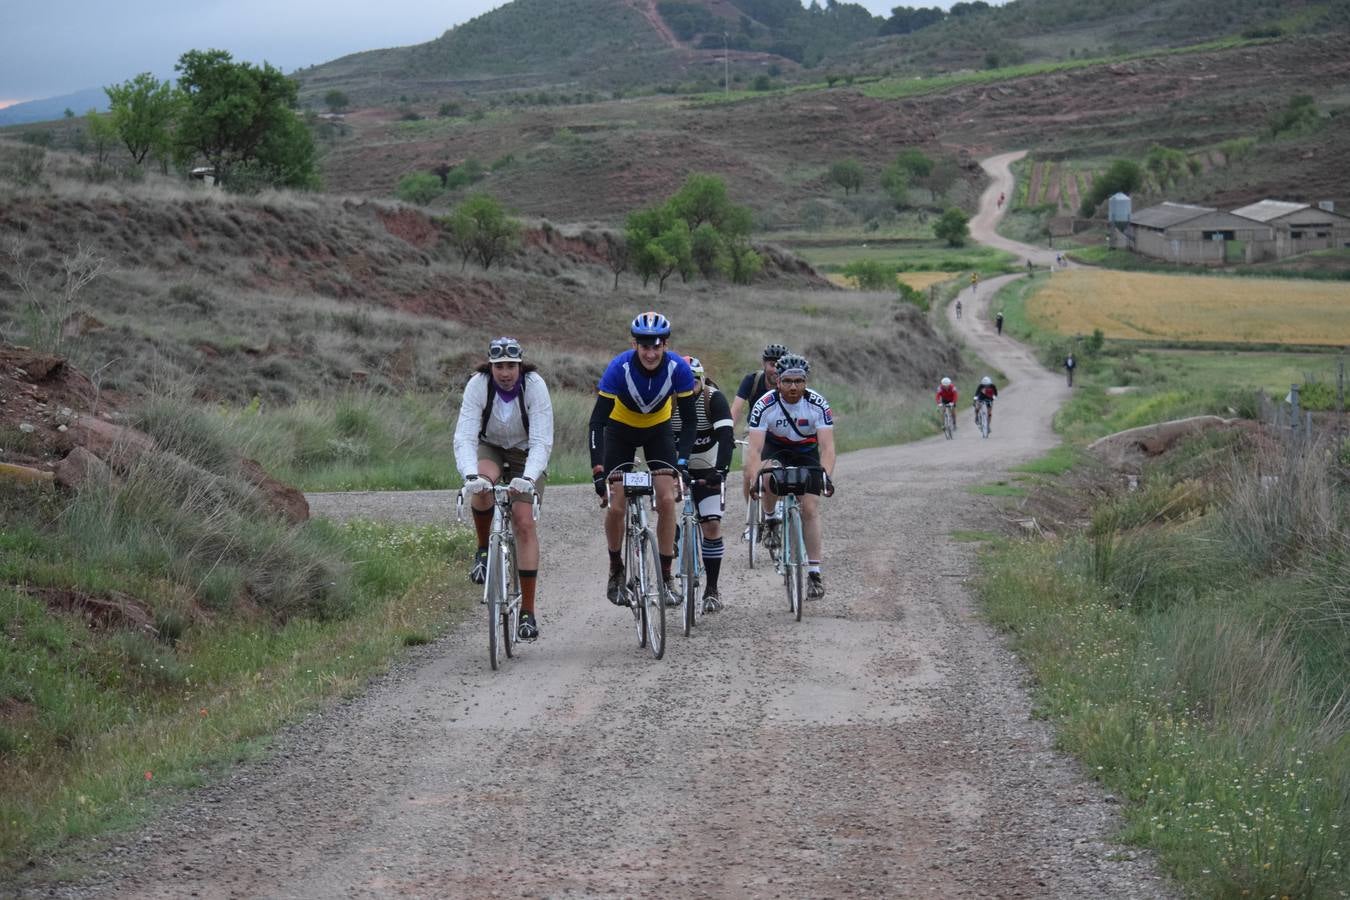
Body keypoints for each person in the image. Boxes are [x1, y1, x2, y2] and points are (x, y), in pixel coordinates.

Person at [590, 312, 700, 608]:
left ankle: (666, 577)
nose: (651, 353)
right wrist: (598, 470)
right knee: (617, 502)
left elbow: (689, 422)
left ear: (665, 344)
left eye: (657, 346)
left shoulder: (678, 369)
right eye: (644, 347)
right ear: (634, 344)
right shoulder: (619, 367)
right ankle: (616, 567)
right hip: (620, 430)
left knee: (666, 499)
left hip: (658, 430)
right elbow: (597, 422)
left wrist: (684, 463)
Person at [454, 336, 555, 641]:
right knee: (482, 485)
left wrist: (530, 477)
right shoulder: (478, 385)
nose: (506, 372)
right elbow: (465, 436)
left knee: (524, 521)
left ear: (520, 365)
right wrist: (470, 475)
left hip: (527, 454)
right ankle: (484, 551)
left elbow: (542, 440)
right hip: (491, 448)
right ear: (491, 366)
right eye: (499, 366)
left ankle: (527, 611)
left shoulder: (534, 386)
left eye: (511, 365)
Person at [743, 353, 836, 601]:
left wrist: (825, 475)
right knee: (768, 475)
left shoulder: (817, 404)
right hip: (777, 449)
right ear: (778, 382)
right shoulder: (764, 404)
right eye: (787, 381)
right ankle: (771, 519)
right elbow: (754, 449)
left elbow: (827, 447)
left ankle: (814, 573)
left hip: (806, 452)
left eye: (799, 381)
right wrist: (755, 478)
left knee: (810, 508)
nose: (793, 387)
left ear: (805, 382)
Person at [670, 356, 735, 612]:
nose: (689, 386)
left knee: (712, 524)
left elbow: (727, 437)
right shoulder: (668, 401)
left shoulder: (713, 398)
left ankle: (712, 589)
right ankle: (673, 535)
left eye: (694, 380)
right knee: (666, 506)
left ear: (702, 379)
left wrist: (721, 471)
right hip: (677, 463)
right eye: (683, 382)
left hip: (708, 465)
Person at [729, 343, 789, 431]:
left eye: (780, 366)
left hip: (781, 432)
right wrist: (727, 434)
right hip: (754, 429)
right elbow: (736, 410)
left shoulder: (791, 386)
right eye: (772, 365)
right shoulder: (752, 380)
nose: (776, 370)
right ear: (764, 364)